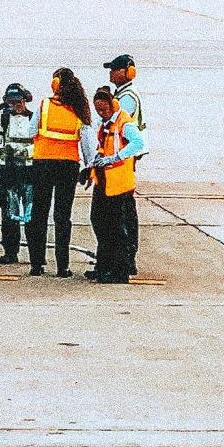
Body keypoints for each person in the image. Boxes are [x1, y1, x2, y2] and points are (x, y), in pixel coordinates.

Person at [27, 66, 94, 277]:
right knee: (62, 217)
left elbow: (31, 131)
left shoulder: (44, 105)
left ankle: (36, 265)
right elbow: (88, 144)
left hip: (42, 165)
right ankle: (62, 267)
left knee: (39, 215)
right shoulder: (79, 109)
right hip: (68, 167)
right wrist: (89, 169)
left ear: (55, 84)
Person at [87, 82, 144, 282]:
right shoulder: (105, 124)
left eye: (103, 109)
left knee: (115, 227)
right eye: (97, 110)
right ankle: (104, 265)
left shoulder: (123, 122)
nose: (100, 112)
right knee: (99, 221)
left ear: (112, 105)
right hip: (103, 181)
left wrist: (115, 158)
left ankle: (120, 270)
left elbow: (138, 143)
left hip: (118, 184)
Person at [104, 54, 144, 274]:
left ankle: (127, 258)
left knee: (124, 210)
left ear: (126, 72)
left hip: (123, 159)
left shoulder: (127, 97)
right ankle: (122, 257)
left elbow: (119, 122)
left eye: (114, 69)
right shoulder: (122, 94)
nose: (110, 73)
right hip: (123, 158)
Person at [0, 82, 36, 265]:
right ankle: (10, 251)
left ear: (24, 100)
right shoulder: (3, 119)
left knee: (31, 213)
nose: (15, 106)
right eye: (10, 102)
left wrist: (27, 152)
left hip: (28, 171)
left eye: (17, 102)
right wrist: (3, 151)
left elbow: (40, 142)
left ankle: (35, 253)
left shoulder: (34, 118)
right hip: (8, 171)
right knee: (9, 213)